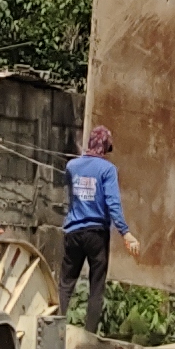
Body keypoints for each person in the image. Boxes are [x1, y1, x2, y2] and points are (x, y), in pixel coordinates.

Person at [61, 123, 124, 335]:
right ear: (105, 147)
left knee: (66, 283)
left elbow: (73, 196)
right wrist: (125, 232)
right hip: (97, 233)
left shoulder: (72, 167)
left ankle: (57, 328)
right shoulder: (108, 170)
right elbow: (113, 203)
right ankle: (89, 334)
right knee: (96, 286)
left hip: (73, 231)